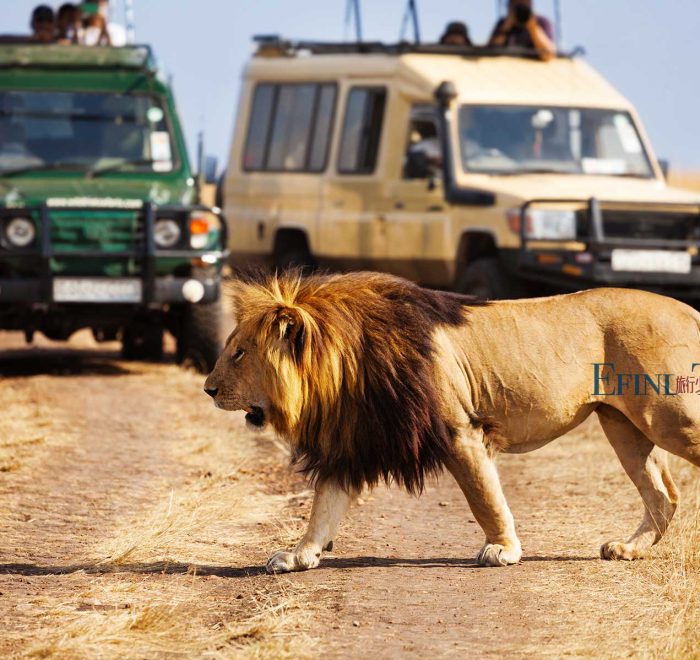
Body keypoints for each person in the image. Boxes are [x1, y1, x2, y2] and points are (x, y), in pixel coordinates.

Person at [488, 0, 555, 61]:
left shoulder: (541, 22)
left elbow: (548, 54)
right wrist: (506, 27)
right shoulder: (503, 24)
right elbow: (489, 53)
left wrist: (532, 27)